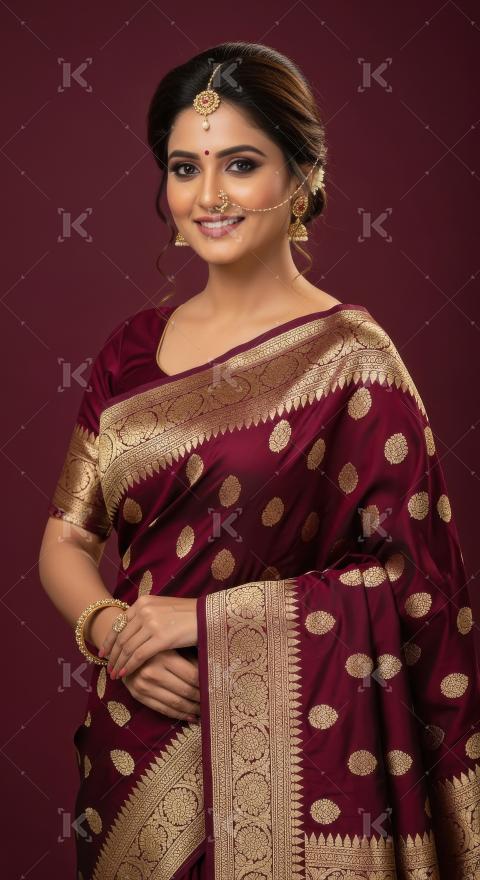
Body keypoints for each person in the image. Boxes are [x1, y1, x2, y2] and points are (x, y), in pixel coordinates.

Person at [38, 41, 480, 879]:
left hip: (306, 760)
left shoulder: (353, 362)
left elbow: (415, 585)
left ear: (303, 177)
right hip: (135, 748)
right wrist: (107, 628)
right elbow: (64, 542)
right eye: (183, 167)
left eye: (240, 164)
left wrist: (204, 624)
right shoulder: (127, 353)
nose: (207, 196)